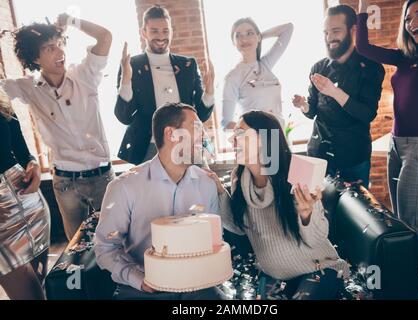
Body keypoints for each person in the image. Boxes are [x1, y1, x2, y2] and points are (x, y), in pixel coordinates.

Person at [356, 0, 418, 300]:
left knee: (414, 225)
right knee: (401, 223)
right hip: (396, 147)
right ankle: (416, 288)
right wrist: (362, 6)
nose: (412, 22)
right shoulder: (404, 57)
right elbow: (363, 48)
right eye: (408, 17)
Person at [207, 110, 349, 300]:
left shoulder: (296, 172)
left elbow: (317, 239)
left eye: (240, 133)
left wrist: (307, 214)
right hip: (274, 275)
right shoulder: (239, 178)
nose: (232, 139)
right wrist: (218, 190)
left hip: (319, 270)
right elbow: (239, 227)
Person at [0, 14, 115, 241]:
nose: (60, 52)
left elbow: (105, 36)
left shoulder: (85, 75)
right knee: (76, 250)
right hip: (65, 185)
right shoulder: (29, 88)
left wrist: (71, 21)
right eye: (50, 48)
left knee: (116, 240)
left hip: (103, 178)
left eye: (60, 44)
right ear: (35, 57)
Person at [95, 102, 226, 300]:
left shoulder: (207, 183)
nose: (204, 138)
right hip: (142, 289)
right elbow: (105, 247)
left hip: (198, 287)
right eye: (197, 129)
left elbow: (214, 240)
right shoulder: (124, 187)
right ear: (171, 134)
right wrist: (138, 278)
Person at [292, 5, 385, 189]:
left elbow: (367, 114)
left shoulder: (372, 68)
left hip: (353, 158)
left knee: (353, 213)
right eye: (326, 32)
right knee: (314, 211)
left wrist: (334, 92)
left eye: (335, 31)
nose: (329, 38)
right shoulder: (318, 68)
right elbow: (312, 112)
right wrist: (303, 105)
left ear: (353, 30)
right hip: (318, 156)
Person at [116, 5, 216, 165]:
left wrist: (209, 91)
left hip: (187, 144)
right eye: (154, 31)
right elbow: (124, 117)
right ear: (144, 32)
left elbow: (202, 115)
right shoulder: (131, 65)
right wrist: (126, 82)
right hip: (149, 148)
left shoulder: (187, 65)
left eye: (165, 31)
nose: (161, 36)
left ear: (171, 31)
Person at [0, 82, 50, 300]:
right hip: (2, 222)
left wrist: (33, 165)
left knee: (44, 289)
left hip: (30, 203)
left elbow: (21, 150)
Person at [221, 18, 294, 130]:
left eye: (249, 33)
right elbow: (226, 123)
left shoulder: (266, 64)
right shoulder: (232, 77)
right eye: (238, 35)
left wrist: (259, 36)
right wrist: (252, 136)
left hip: (280, 134)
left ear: (258, 37)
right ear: (233, 42)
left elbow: (288, 28)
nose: (244, 38)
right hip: (257, 139)